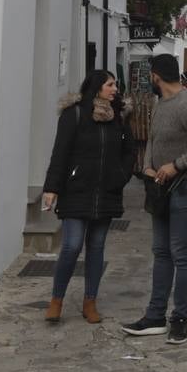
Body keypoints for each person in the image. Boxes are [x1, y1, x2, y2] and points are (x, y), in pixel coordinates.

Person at [122, 54, 187, 346]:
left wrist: (177, 165)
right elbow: (154, 137)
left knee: (181, 252)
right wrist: (149, 165)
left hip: (186, 187)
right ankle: (155, 317)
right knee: (161, 252)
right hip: (160, 188)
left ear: (155, 76)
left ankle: (180, 318)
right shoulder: (161, 103)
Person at [40, 69, 135, 324]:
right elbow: (60, 152)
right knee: (71, 245)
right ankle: (56, 300)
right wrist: (52, 188)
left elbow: (129, 151)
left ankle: (90, 301)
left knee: (96, 248)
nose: (115, 89)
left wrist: (121, 175)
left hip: (106, 191)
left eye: (115, 85)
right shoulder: (75, 114)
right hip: (76, 190)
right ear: (97, 87)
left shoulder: (119, 118)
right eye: (110, 85)